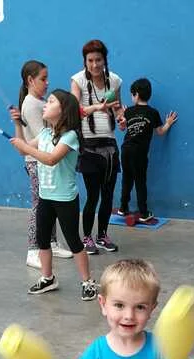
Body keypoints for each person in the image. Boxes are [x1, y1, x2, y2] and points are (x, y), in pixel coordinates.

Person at [10, 89, 98, 301]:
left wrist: (25, 147)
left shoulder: (70, 136)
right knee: (42, 239)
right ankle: (48, 278)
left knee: (74, 241)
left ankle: (87, 281)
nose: (45, 105)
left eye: (50, 102)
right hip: (45, 196)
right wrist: (17, 125)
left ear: (63, 110)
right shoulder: (44, 134)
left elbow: (51, 159)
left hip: (65, 198)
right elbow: (22, 150)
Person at [10, 60, 73, 269]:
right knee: (39, 206)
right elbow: (44, 138)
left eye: (47, 78)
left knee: (49, 204)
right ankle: (33, 249)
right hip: (37, 162)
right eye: (43, 79)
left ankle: (51, 243)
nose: (47, 83)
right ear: (30, 80)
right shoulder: (31, 104)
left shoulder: (39, 102)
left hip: (43, 161)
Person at [70, 39, 124, 255]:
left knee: (108, 195)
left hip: (109, 145)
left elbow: (117, 107)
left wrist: (121, 118)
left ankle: (102, 235)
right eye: (90, 60)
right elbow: (74, 110)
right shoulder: (78, 80)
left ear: (105, 60)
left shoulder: (114, 80)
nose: (94, 65)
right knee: (93, 195)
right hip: (88, 146)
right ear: (85, 61)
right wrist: (97, 107)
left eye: (98, 60)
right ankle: (87, 237)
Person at [117, 78, 178, 222]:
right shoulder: (153, 113)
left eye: (132, 95)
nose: (132, 98)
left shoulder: (129, 111)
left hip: (126, 150)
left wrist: (123, 118)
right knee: (140, 181)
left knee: (127, 179)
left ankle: (123, 208)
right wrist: (168, 123)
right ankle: (143, 213)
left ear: (136, 95)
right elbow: (160, 132)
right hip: (139, 153)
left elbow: (122, 128)